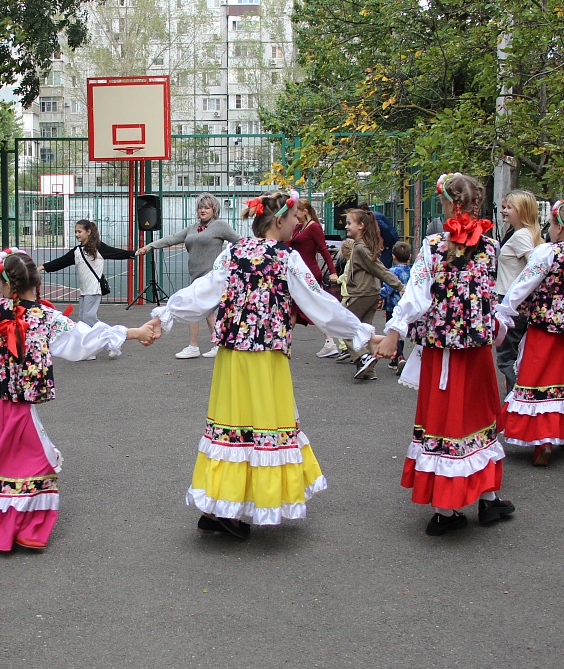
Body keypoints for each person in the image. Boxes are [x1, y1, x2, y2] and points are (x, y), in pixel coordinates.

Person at [147, 190, 383, 539]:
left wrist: (165, 314)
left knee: (231, 425)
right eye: (293, 218)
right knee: (263, 427)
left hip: (232, 358)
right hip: (266, 358)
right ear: (278, 221)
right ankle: (233, 511)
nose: (298, 222)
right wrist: (362, 332)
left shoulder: (234, 251)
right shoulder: (285, 258)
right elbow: (317, 302)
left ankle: (220, 507)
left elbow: (205, 291)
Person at [0, 248, 156, 551]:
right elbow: (83, 341)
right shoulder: (41, 317)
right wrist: (134, 332)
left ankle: (9, 526)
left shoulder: (4, 312)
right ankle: (19, 527)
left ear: (7, 285)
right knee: (21, 462)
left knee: (8, 462)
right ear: (35, 280)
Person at [372, 172, 515, 536]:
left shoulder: (433, 245)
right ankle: (487, 498)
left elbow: (417, 293)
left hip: (443, 353)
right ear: (475, 203)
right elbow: (492, 297)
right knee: (479, 419)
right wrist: (496, 324)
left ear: (448, 205)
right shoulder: (492, 245)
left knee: (444, 422)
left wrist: (394, 331)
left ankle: (446, 510)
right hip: (477, 350)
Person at [497, 201, 564, 466]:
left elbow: (523, 284)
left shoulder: (547, 252)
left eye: (552, 226)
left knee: (540, 384)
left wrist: (504, 311)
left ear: (559, 228)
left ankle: (544, 441)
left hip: (547, 330)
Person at [137, 193, 239, 359]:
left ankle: (195, 346)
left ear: (215, 209)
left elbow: (239, 241)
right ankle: (216, 345)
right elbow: (172, 239)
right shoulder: (193, 228)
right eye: (200, 207)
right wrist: (149, 246)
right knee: (205, 311)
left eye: (206, 207)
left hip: (211, 276)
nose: (202, 210)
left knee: (196, 307)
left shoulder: (220, 225)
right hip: (196, 275)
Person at [343, 209, 405, 380]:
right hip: (370, 292)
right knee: (365, 331)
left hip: (362, 293)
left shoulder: (362, 248)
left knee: (345, 326)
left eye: (350, 223)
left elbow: (379, 269)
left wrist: (399, 285)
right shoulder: (363, 245)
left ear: (361, 226)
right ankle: (368, 370)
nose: (346, 227)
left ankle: (363, 357)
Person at [40, 219, 135, 327]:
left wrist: (133, 253)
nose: (77, 234)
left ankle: (111, 334)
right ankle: (87, 342)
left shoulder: (98, 248)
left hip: (93, 290)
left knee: (88, 318)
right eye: (75, 232)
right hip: (84, 291)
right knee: (82, 320)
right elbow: (61, 262)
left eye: (79, 232)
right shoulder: (77, 251)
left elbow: (116, 253)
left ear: (88, 232)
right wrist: (43, 267)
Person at [494, 190, 545, 392]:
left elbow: (535, 267)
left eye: (508, 207)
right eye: (504, 207)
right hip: (515, 300)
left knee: (507, 357)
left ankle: (514, 405)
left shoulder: (522, 235)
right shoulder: (521, 233)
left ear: (522, 211)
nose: (503, 211)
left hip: (512, 302)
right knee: (514, 355)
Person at [287, 199, 341, 357]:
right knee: (297, 308)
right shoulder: (299, 227)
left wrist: (333, 271)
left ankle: (285, 343)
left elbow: (324, 250)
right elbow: (289, 244)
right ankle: (329, 342)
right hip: (299, 274)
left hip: (309, 273)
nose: (295, 214)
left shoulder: (314, 228)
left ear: (305, 211)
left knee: (304, 308)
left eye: (297, 210)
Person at [381, 240, 413, 371]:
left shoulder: (392, 271)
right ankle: (396, 359)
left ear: (393, 256)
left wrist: (378, 295)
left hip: (392, 306)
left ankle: (399, 357)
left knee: (393, 330)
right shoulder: (412, 271)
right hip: (406, 306)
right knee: (401, 331)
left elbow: (387, 289)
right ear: (410, 256)